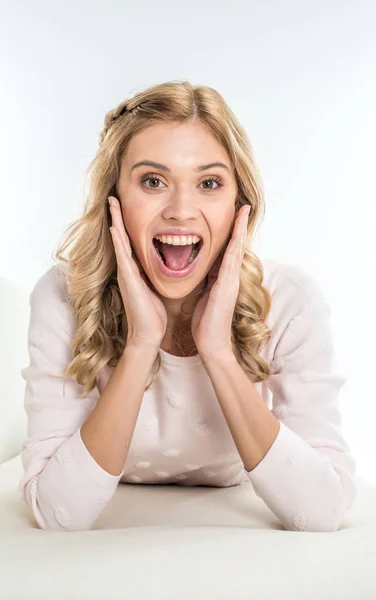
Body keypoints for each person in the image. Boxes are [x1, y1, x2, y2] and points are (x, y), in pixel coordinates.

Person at [18, 80, 357, 532]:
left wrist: (216, 349)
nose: (181, 210)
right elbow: (59, 515)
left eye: (209, 183)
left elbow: (321, 511)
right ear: (112, 199)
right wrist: (140, 344)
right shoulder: (64, 295)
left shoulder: (289, 297)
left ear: (240, 204)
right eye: (153, 181)